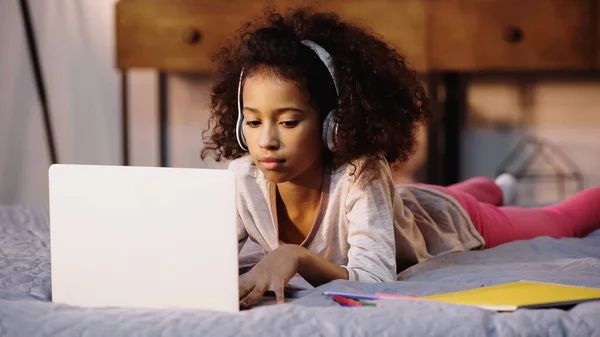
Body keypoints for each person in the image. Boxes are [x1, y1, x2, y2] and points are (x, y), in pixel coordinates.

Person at [200, 7, 600, 308]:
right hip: (401, 205)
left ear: (332, 124)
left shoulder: (361, 173)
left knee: (559, 220)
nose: (266, 141)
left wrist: (294, 255)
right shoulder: (242, 178)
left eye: (288, 122)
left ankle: (489, 193)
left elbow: (374, 276)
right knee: (434, 196)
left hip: (443, 219)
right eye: (252, 122)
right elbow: (205, 257)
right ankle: (494, 187)